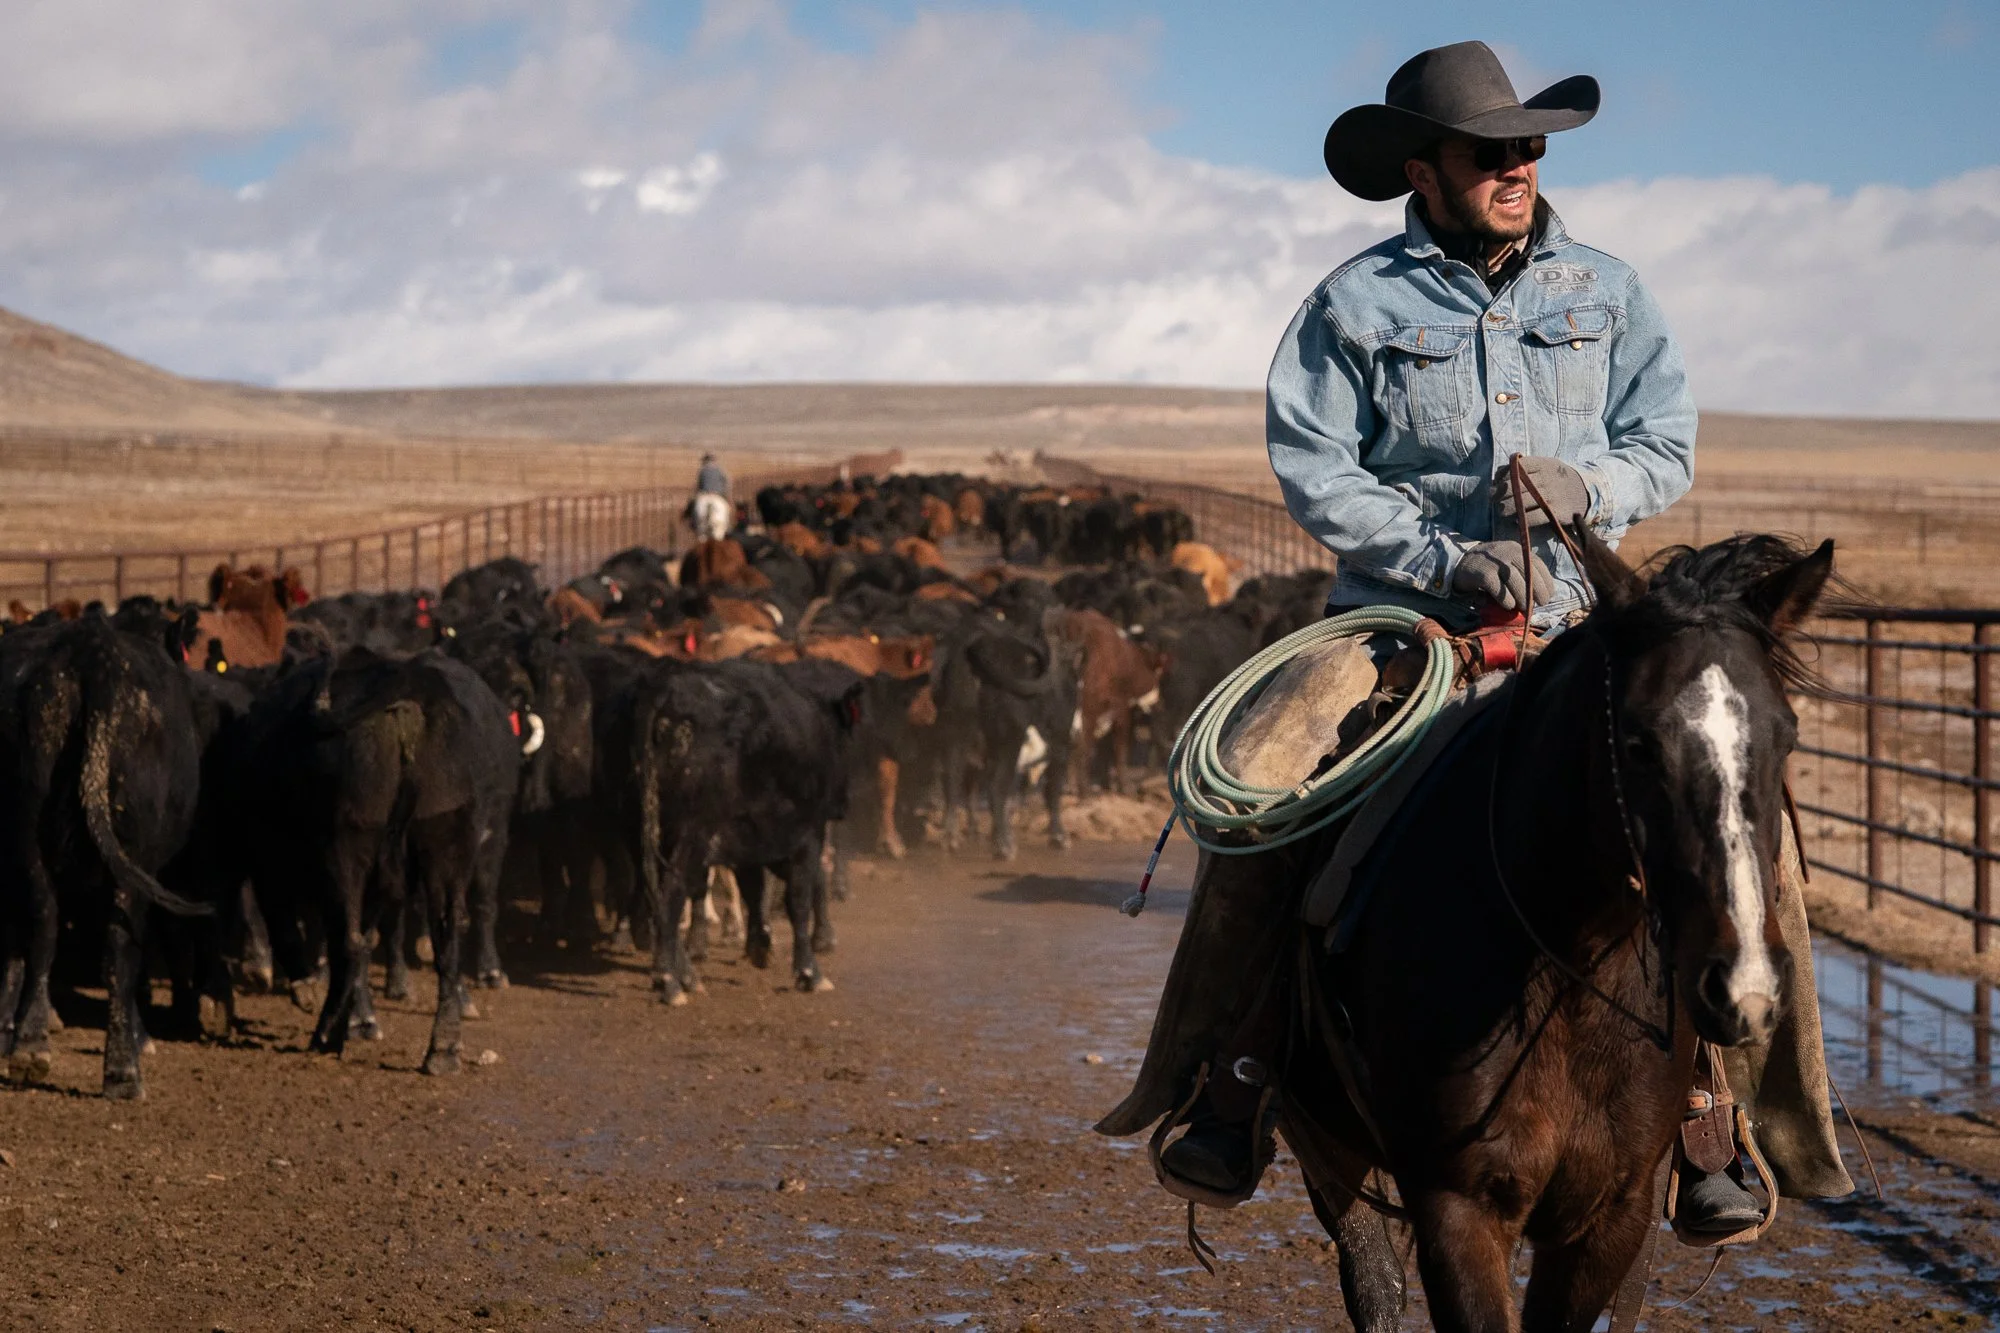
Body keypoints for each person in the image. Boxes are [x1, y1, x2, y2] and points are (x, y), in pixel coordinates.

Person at [1097, 40, 1851, 1236]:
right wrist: (1441, 554)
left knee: (1729, 816)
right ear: (1424, 169)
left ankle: (1724, 1111)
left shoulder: (1607, 291)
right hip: (1405, 630)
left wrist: (1588, 486)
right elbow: (1315, 467)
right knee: (1261, 796)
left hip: (1578, 626)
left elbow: (1665, 439)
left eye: (1527, 146)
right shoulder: (1355, 303)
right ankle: (1229, 1075)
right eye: (1488, 151)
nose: (1516, 166)